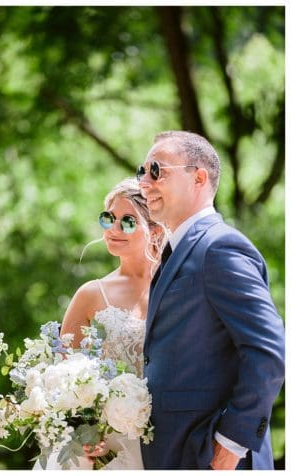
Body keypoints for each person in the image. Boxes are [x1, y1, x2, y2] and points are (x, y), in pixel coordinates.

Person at [137, 131, 284, 470]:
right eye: (141, 171)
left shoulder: (219, 248)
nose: (145, 182)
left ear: (198, 177)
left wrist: (230, 445)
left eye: (156, 170)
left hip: (211, 457)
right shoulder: (177, 252)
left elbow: (270, 352)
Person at [42, 178, 164, 470]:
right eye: (109, 218)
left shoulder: (179, 288)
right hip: (107, 447)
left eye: (128, 221)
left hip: (169, 439)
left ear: (155, 230)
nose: (114, 229)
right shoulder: (91, 294)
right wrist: (80, 432)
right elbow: (62, 376)